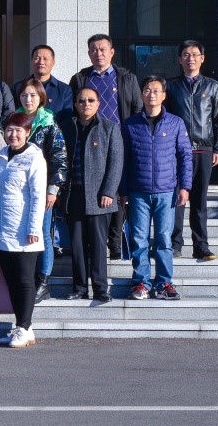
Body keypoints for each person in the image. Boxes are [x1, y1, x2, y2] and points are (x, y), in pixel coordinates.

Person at [68, 34, 142, 259]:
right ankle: (94, 240)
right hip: (89, 140)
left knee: (118, 190)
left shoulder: (126, 78)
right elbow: (73, 109)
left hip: (119, 140)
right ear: (89, 53)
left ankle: (115, 239)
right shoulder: (80, 78)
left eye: (102, 49)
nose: (98, 53)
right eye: (94, 50)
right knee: (93, 191)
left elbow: (137, 108)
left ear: (112, 52)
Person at [121, 76, 193, 301]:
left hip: (166, 191)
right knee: (139, 240)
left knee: (163, 239)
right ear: (141, 94)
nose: (151, 94)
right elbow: (123, 160)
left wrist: (185, 186)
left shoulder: (175, 123)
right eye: (147, 90)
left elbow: (185, 156)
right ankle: (141, 282)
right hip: (138, 191)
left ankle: (164, 283)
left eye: (156, 90)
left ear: (163, 95)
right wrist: (123, 190)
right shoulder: (130, 124)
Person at [0, 112, 46, 348]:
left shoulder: (34, 158)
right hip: (2, 230)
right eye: (9, 130)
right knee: (11, 280)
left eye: (18, 130)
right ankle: (24, 327)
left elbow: (38, 196)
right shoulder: (1, 155)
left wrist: (33, 228)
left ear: (27, 133)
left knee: (24, 280)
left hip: (24, 230)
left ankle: (23, 325)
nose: (13, 135)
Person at [60, 87, 123, 302]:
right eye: (81, 100)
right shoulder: (67, 127)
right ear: (75, 104)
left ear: (98, 104)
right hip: (73, 195)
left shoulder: (109, 128)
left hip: (99, 197)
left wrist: (108, 191)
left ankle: (100, 289)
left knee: (97, 245)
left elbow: (116, 162)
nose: (85, 104)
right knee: (77, 246)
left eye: (90, 100)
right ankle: (79, 287)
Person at [166, 40, 218, 260]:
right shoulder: (171, 87)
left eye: (194, 54)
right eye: (186, 55)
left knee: (199, 200)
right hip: (177, 151)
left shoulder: (212, 86)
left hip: (204, 149)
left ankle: (201, 246)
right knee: (177, 199)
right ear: (180, 59)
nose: (190, 58)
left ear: (202, 58)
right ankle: (174, 244)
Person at [15, 78, 69, 304]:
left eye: (33, 95)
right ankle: (25, 278)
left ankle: (44, 280)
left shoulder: (49, 123)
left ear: (41, 98)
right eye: (24, 95)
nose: (28, 99)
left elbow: (59, 158)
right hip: (17, 190)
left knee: (43, 233)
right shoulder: (14, 120)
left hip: (42, 189)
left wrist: (53, 189)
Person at [13, 45, 74, 127]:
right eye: (37, 58)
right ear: (31, 61)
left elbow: (67, 120)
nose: (41, 62)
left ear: (53, 62)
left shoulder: (64, 90)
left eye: (45, 59)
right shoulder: (18, 87)